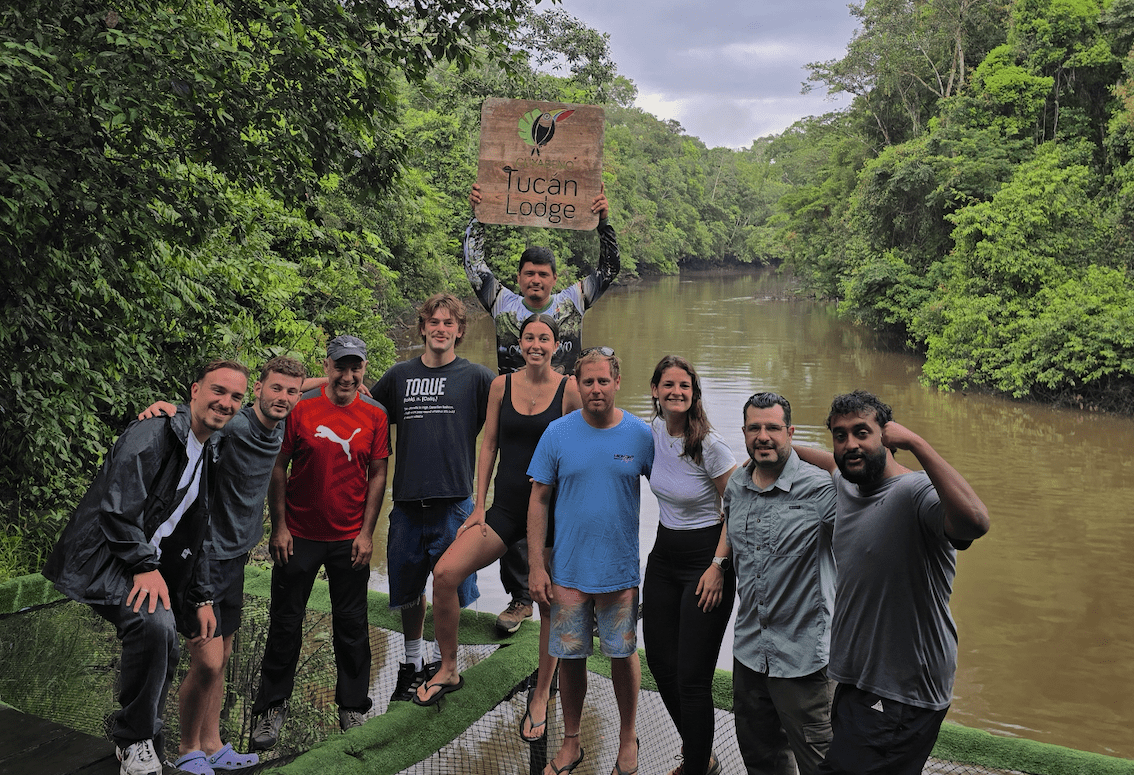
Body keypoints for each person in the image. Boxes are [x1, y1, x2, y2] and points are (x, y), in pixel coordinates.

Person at [43, 360, 250, 775]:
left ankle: (146, 742)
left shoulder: (207, 446)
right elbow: (117, 507)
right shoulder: (153, 432)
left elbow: (196, 531)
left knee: (167, 640)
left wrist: (202, 595)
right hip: (107, 559)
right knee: (154, 625)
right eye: (217, 391)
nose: (225, 402)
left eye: (235, 397)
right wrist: (141, 566)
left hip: (145, 562)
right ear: (194, 391)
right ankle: (135, 740)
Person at [796, 390, 990, 775]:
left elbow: (976, 521)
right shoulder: (849, 486)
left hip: (903, 690)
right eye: (839, 435)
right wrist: (777, 444)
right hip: (857, 679)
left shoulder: (917, 494)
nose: (850, 444)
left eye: (861, 432)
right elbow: (827, 463)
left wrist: (918, 443)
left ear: (886, 436)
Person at [465, 182, 620, 636]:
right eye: (528, 273)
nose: (535, 280)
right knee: (515, 497)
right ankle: (520, 598)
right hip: (516, 409)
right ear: (521, 277)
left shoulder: (572, 301)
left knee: (574, 502)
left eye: (543, 275)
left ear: (554, 278)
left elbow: (609, 268)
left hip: (565, 411)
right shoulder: (503, 304)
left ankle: (577, 590)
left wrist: (603, 220)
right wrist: (477, 215)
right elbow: (474, 268)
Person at [414, 314, 581, 738]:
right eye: (529, 337)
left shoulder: (570, 389)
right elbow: (488, 444)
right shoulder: (501, 385)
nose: (536, 344)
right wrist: (478, 506)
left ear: (556, 345)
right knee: (446, 574)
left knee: (547, 601)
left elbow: (582, 449)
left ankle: (542, 692)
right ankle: (448, 667)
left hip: (552, 514)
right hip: (504, 508)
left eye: (544, 338)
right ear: (519, 343)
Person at [139, 357, 307, 773]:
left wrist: (346, 381)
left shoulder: (283, 422)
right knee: (207, 660)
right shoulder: (235, 426)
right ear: (258, 390)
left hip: (237, 557)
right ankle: (186, 750)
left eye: (292, 391)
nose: (283, 398)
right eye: (275, 389)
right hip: (203, 557)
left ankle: (212, 745)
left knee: (224, 657)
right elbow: (203, 415)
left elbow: (308, 384)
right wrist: (168, 408)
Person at [249, 336, 390, 749]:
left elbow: (378, 473)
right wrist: (279, 526)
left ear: (363, 369)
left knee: (351, 625)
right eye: (340, 367)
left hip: (350, 538)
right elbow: (279, 465)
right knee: (285, 623)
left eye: (355, 368)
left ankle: (352, 706)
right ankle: (271, 709)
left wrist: (367, 533)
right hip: (299, 535)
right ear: (326, 366)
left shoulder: (376, 414)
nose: (348, 376)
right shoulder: (301, 409)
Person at [528, 347, 653, 775]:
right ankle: (572, 741)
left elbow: (675, 488)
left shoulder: (640, 434)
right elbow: (538, 499)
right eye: (588, 382)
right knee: (572, 656)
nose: (596, 389)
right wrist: (536, 566)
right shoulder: (557, 433)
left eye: (603, 381)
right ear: (576, 385)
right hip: (566, 572)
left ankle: (627, 736)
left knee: (622, 654)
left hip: (619, 571)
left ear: (618, 382)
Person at [371, 293, 495, 703]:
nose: (441, 329)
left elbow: (512, 415)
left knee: (450, 589)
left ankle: (447, 666)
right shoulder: (399, 376)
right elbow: (360, 411)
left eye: (449, 323)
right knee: (408, 590)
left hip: (455, 502)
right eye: (433, 322)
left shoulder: (477, 377)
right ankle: (411, 663)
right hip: (407, 501)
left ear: (460, 330)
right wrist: (317, 384)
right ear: (422, 328)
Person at [724, 392, 837, 775]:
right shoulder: (736, 485)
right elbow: (728, 524)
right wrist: (716, 561)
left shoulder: (820, 490)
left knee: (821, 764)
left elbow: (867, 483)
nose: (763, 436)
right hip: (749, 654)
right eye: (754, 428)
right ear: (743, 432)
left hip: (804, 662)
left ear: (790, 432)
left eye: (773, 428)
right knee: (761, 759)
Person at [643, 356, 737, 775]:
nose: (676, 392)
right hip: (664, 556)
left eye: (684, 386)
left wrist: (719, 565)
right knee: (662, 665)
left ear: (694, 393)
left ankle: (695, 766)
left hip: (707, 560)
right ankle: (702, 755)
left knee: (692, 677)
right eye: (668, 385)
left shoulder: (710, 445)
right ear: (655, 390)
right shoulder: (652, 433)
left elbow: (739, 505)